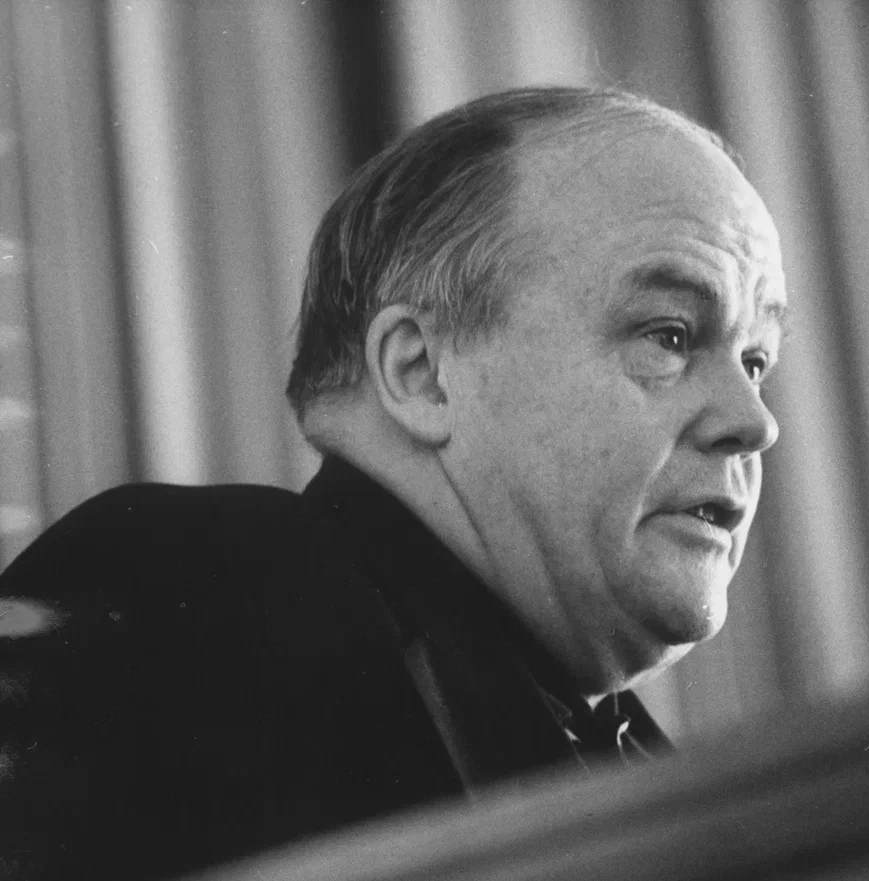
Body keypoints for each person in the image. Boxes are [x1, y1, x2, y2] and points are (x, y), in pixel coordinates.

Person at [0, 85, 785, 880]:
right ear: (421, 373)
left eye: (756, 360)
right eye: (669, 334)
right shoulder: (186, 585)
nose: (754, 420)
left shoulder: (639, 764)